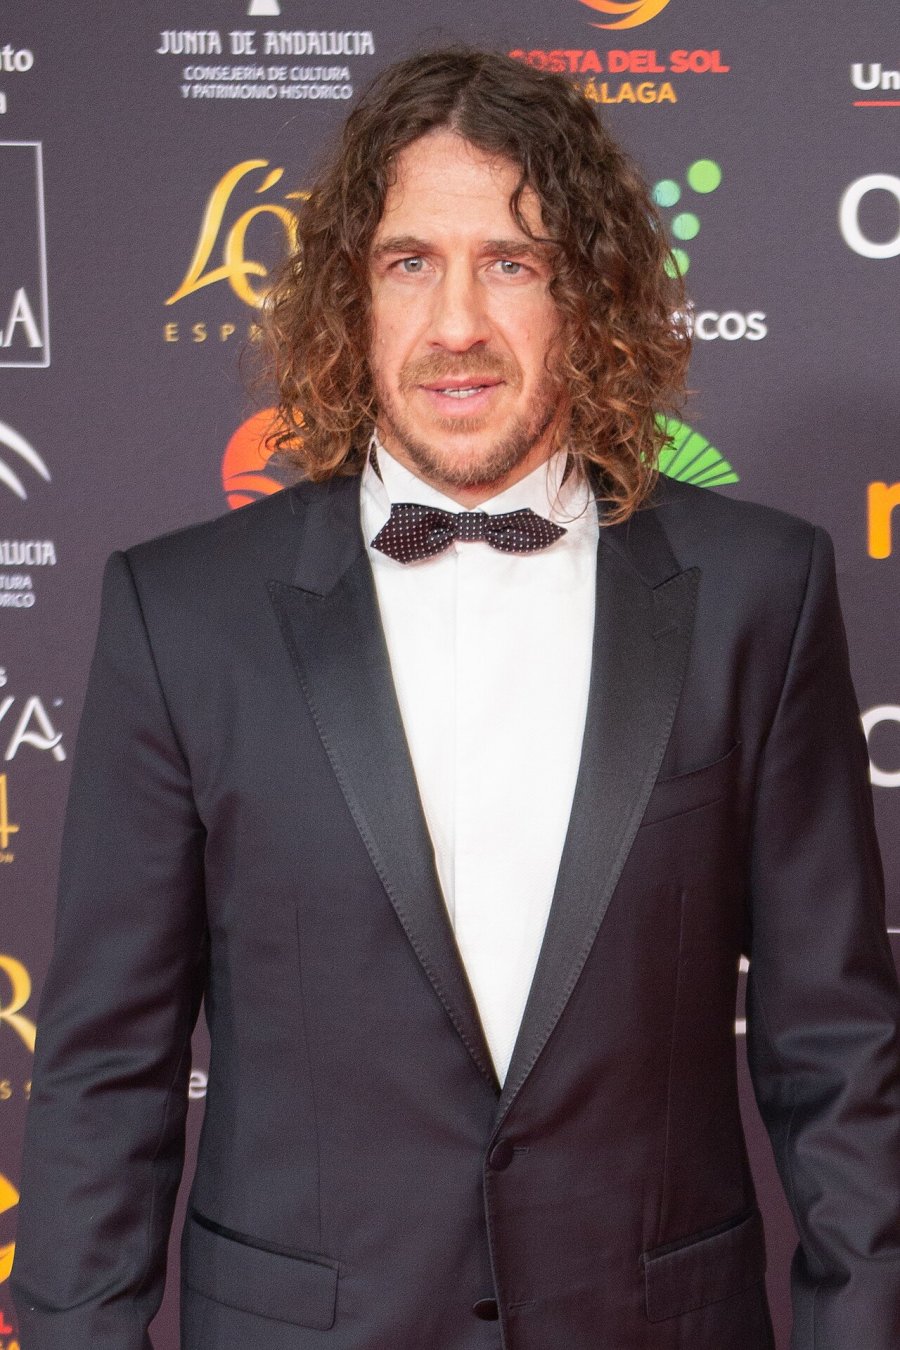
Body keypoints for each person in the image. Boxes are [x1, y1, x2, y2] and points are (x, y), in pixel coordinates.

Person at [11, 47, 900, 1350]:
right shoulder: (183, 614)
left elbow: (838, 1056)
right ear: (351, 296)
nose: (458, 324)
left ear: (589, 292)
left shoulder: (759, 592)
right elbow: (106, 1073)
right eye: (410, 262)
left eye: (512, 262)